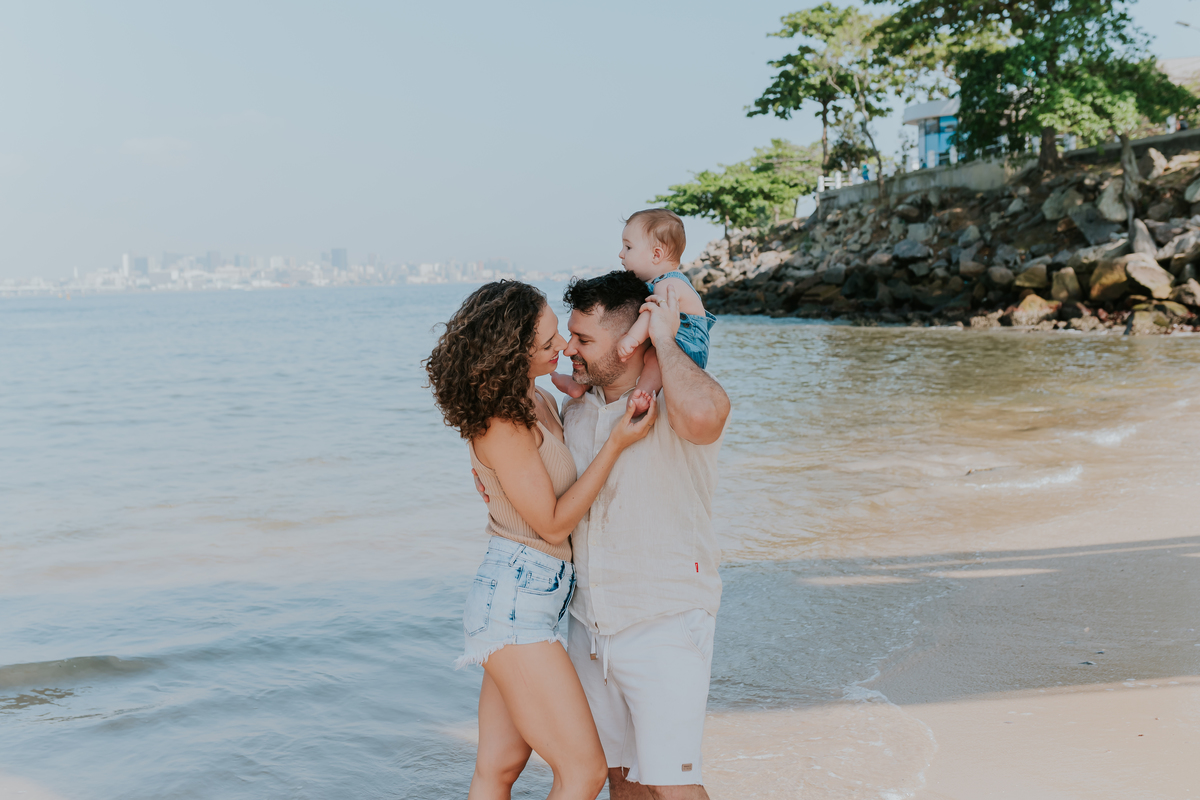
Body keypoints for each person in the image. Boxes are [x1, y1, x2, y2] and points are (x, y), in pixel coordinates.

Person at [425, 280, 657, 800]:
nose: (564, 348)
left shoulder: (534, 396)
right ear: (514, 352)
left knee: (499, 769)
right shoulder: (500, 421)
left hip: (534, 598)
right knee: (584, 773)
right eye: (551, 341)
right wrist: (617, 443)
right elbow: (552, 524)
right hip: (516, 601)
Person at [559, 270, 730, 800]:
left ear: (630, 340)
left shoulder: (676, 399)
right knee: (622, 779)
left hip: (664, 618)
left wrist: (663, 339)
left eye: (584, 339)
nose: (570, 349)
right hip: (590, 626)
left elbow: (707, 416)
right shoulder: (578, 408)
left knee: (673, 785)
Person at [552, 209, 715, 400]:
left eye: (628, 247)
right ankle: (579, 385)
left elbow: (654, 313)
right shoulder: (655, 284)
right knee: (602, 356)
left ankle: (641, 393)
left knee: (653, 357)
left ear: (656, 254)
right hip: (669, 339)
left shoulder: (670, 284)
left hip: (687, 349)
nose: (621, 254)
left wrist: (632, 338)